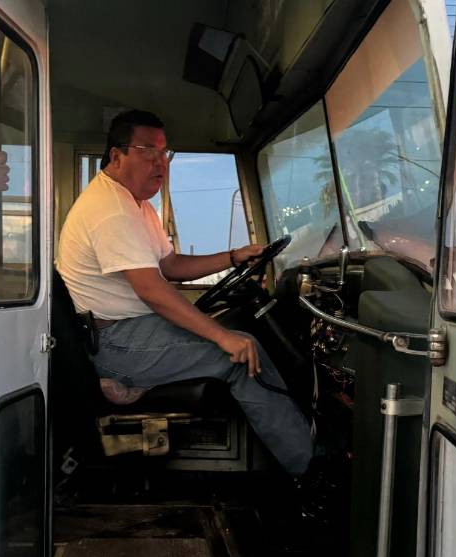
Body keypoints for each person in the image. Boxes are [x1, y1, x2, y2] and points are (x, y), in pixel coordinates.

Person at [56, 109, 314, 478]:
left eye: (164, 153)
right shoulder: (110, 210)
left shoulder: (136, 204)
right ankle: (308, 468)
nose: (160, 163)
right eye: (148, 151)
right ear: (117, 156)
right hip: (116, 343)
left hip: (128, 331)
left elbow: (170, 265)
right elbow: (153, 291)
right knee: (241, 354)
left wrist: (233, 256)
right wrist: (222, 337)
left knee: (234, 336)